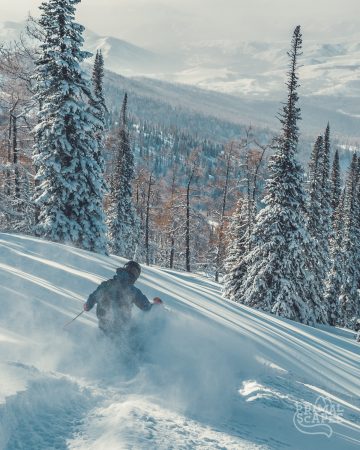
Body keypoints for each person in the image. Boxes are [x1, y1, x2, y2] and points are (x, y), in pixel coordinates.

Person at [83, 261, 163, 337]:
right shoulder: (132, 290)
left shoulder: (107, 284)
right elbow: (146, 306)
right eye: (135, 273)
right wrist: (156, 305)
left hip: (103, 325)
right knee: (139, 331)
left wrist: (88, 305)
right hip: (121, 329)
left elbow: (93, 296)